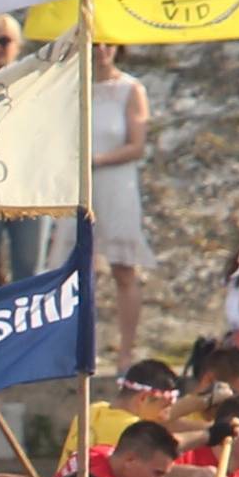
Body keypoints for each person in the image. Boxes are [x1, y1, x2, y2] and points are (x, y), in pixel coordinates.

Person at [91, 41, 153, 366]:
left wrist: (97, 160)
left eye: (108, 44)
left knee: (124, 268)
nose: (102, 50)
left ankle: (126, 350)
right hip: (83, 186)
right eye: (96, 44)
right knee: (80, 267)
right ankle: (82, 346)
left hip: (117, 182)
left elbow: (136, 145)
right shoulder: (78, 87)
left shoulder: (130, 89)